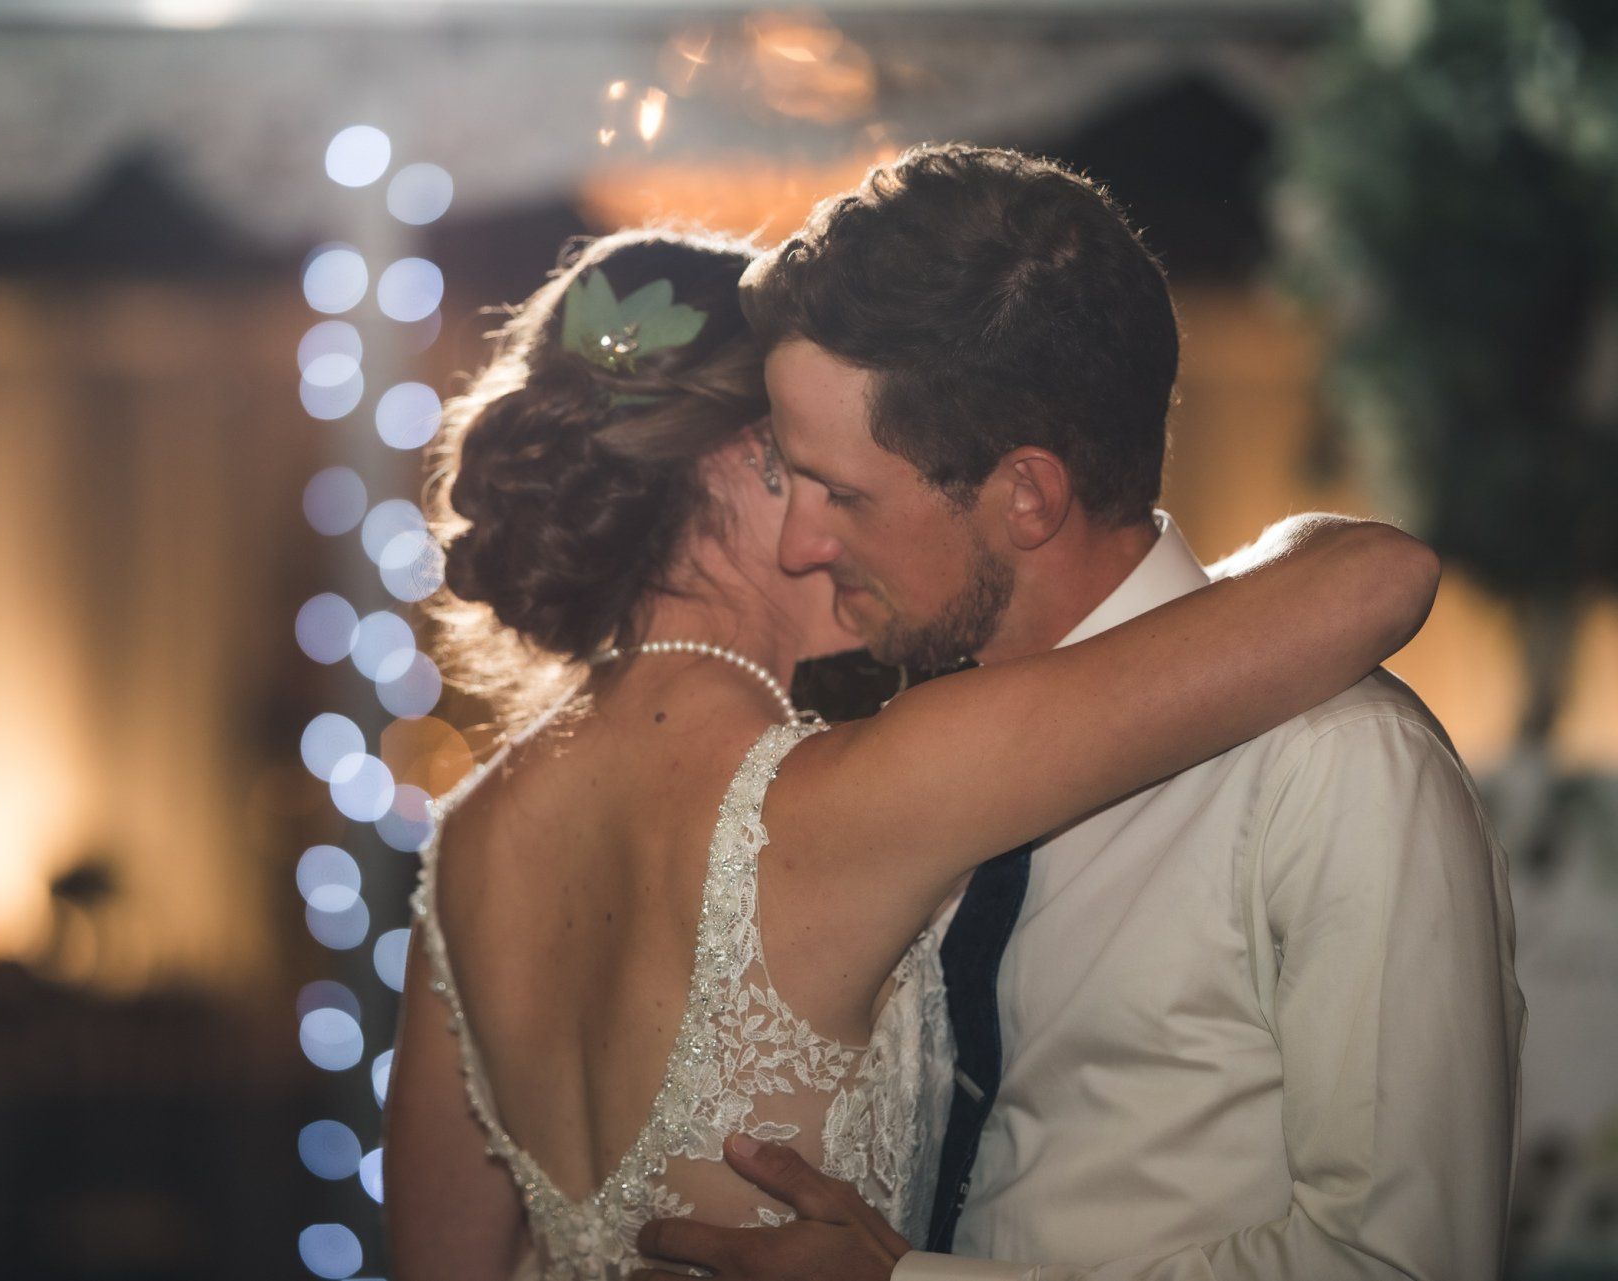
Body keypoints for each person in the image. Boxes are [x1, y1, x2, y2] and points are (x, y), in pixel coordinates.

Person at [381, 222, 1441, 1281]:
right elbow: (1379, 578)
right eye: (821, 466)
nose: (842, 511)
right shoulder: (839, 801)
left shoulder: (465, 846)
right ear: (746, 461)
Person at [630, 147, 1525, 1281]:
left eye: (844, 494)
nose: (801, 545)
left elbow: (1403, 1266)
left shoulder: (1336, 765)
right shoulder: (912, 741)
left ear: (1027, 495)